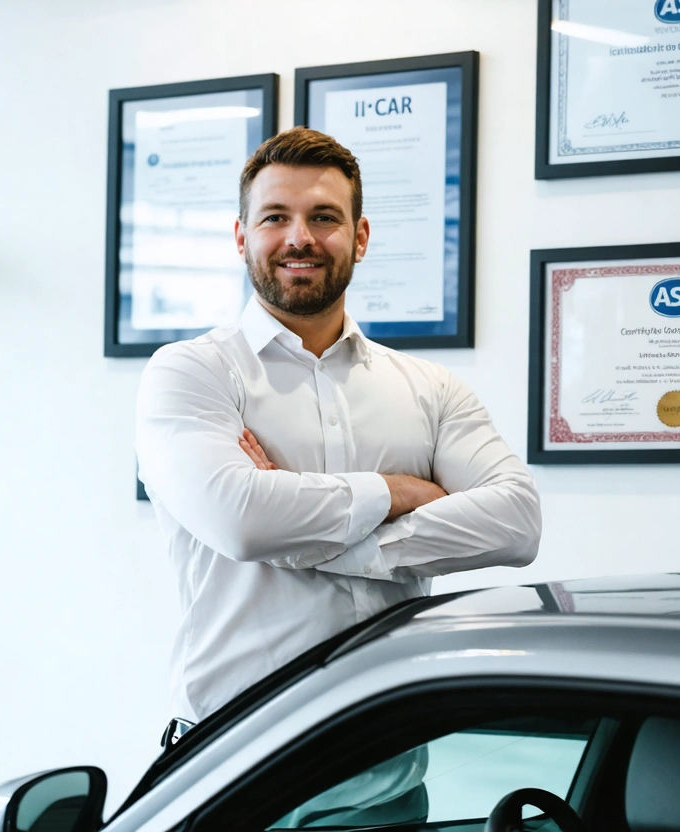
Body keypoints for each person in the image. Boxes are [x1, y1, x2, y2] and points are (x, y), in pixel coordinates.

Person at [136, 126, 541, 727]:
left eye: (324, 216)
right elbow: (241, 521)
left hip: (391, 759)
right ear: (242, 235)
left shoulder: (429, 388)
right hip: (234, 758)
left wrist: (309, 543)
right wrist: (398, 492)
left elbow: (516, 523)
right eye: (275, 217)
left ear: (361, 235)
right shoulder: (192, 371)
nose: (300, 238)